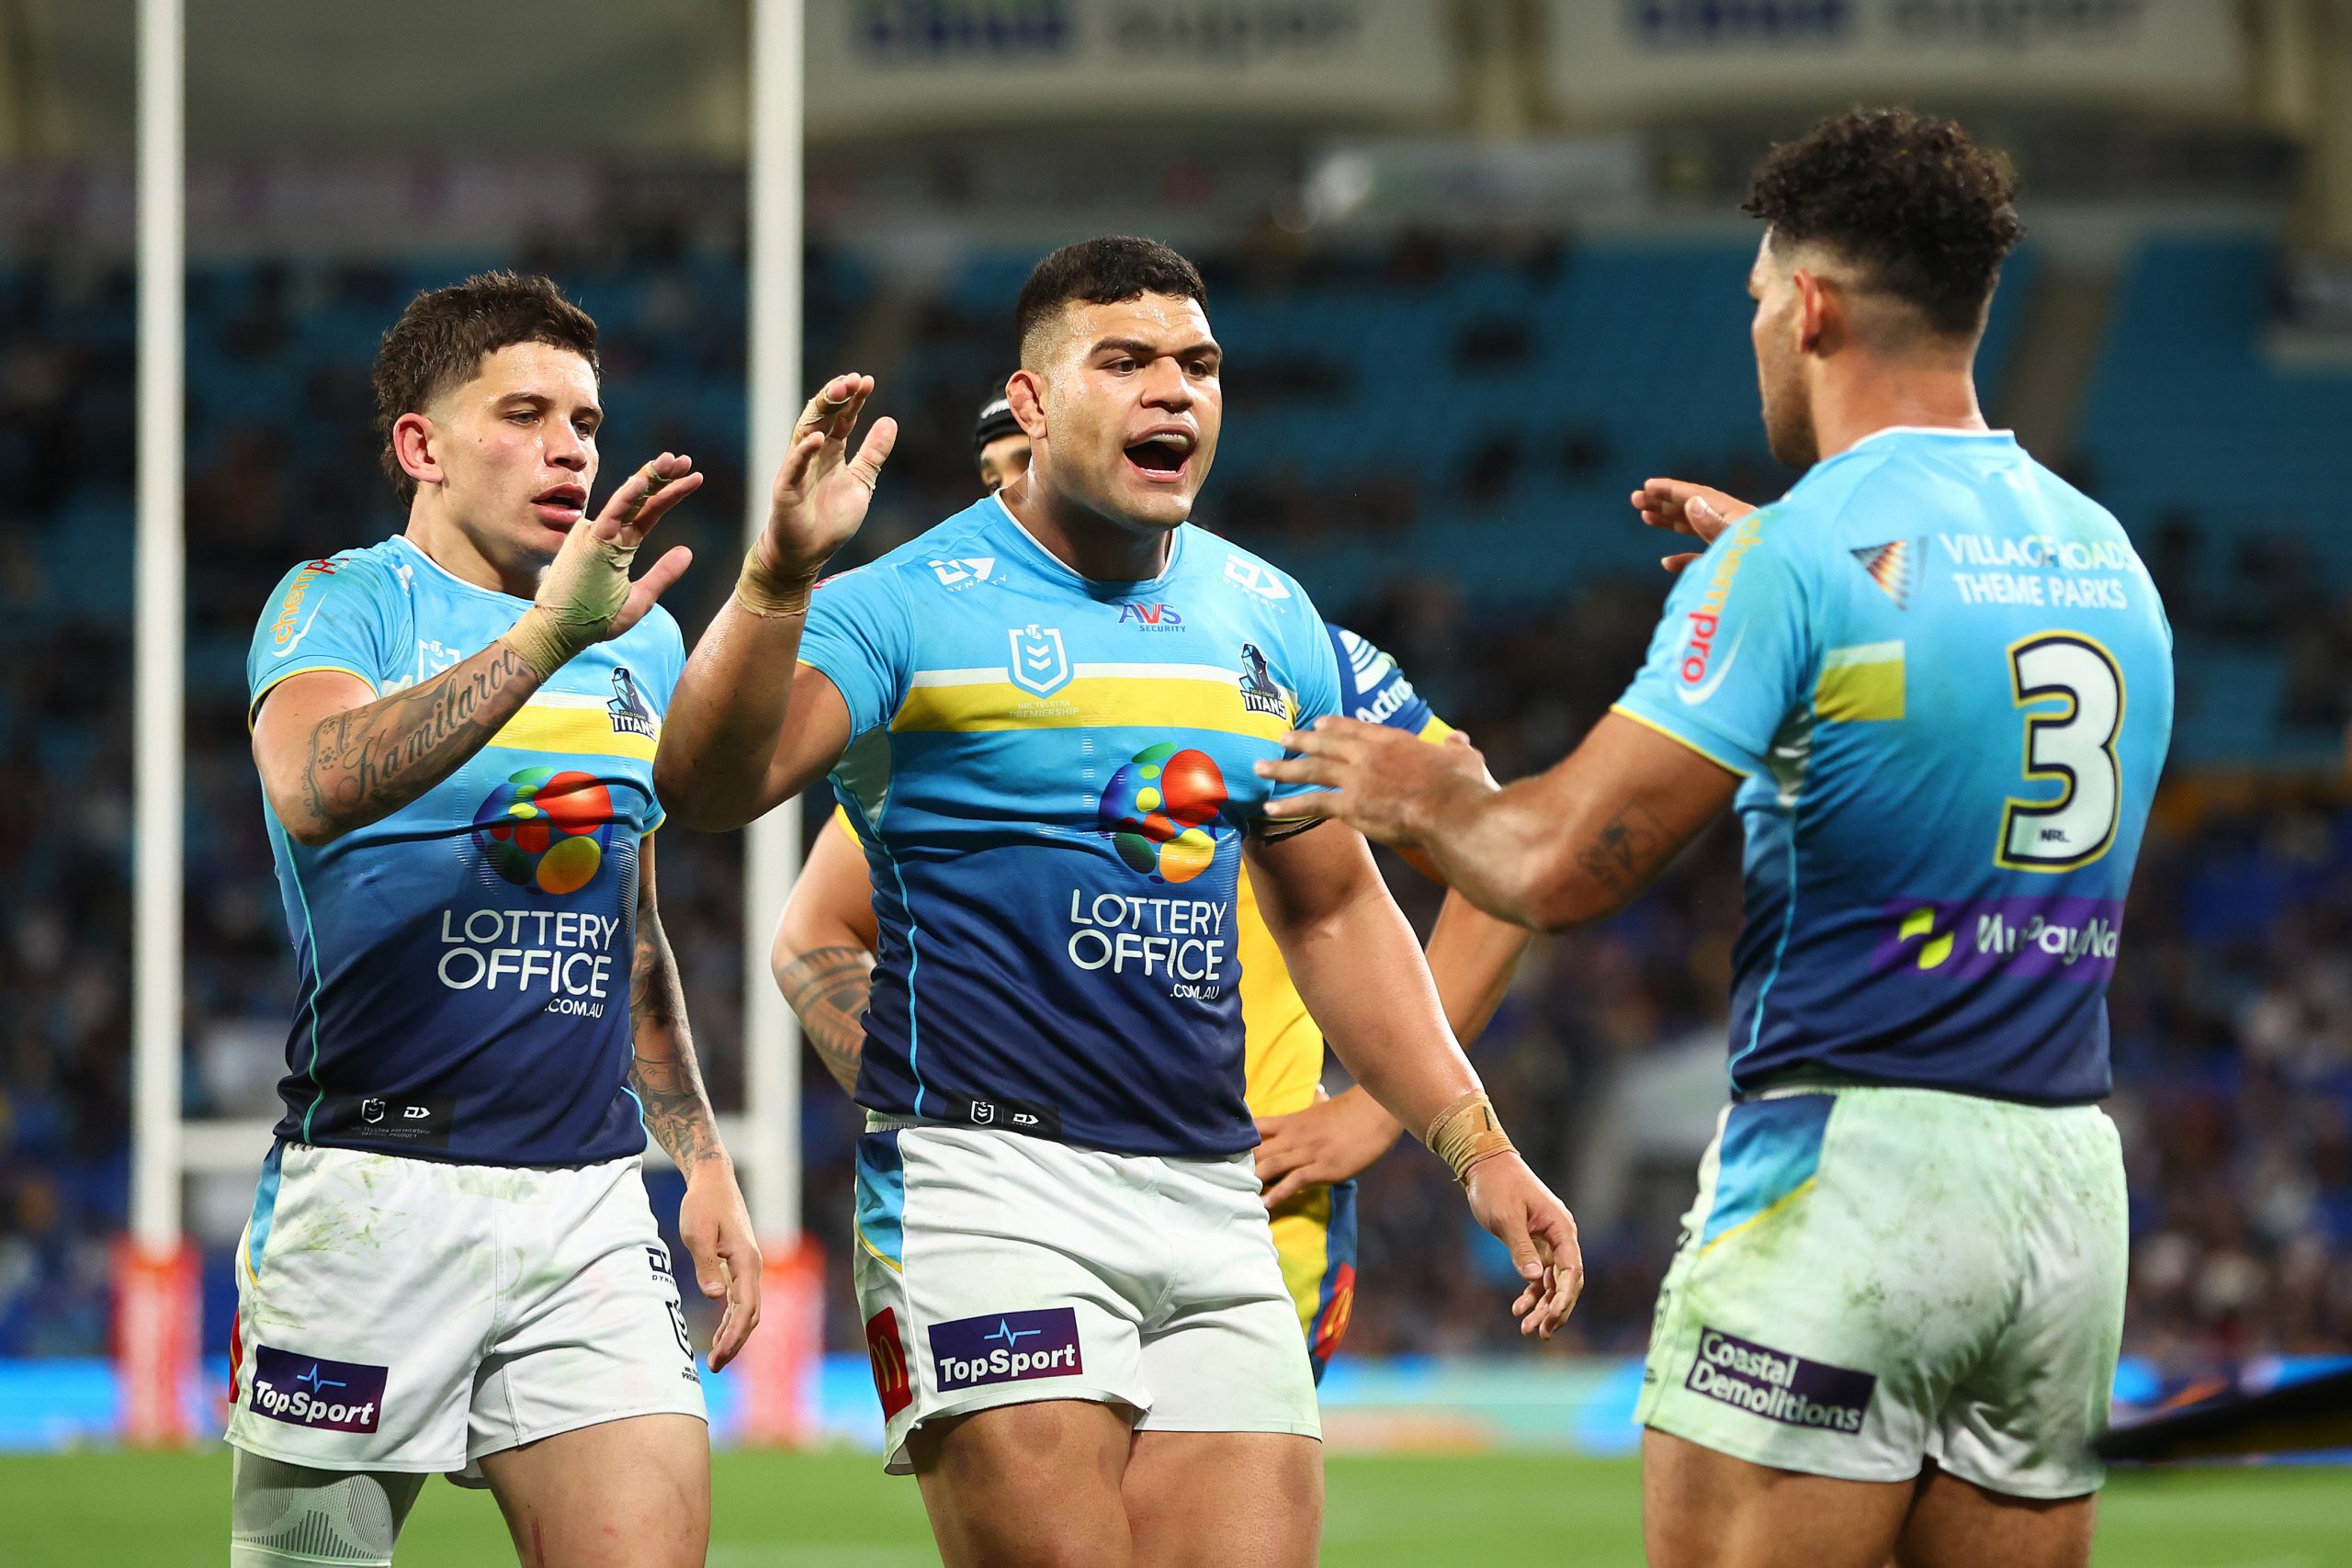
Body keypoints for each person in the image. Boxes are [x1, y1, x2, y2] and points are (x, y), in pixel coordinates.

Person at [1260, 111, 2174, 1568]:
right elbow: (1938, 674)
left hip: (1849, 1174)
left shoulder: (1798, 558)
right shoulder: (2097, 550)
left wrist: (1414, 788)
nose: (1756, 327)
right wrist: (1788, 585)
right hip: (2064, 1189)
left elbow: (1555, 864)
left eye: (1758, 298)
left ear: (1809, 306)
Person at [655, 235, 1581, 1568]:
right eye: (1128, 361)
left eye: (1198, 365)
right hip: (991, 1189)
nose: (1174, 391)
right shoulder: (905, 605)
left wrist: (1471, 1145)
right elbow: (708, 783)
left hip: (1214, 1194)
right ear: (1030, 405)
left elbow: (1331, 909)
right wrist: (774, 582)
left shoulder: (1268, 617)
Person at [771, 391, 1535, 1382]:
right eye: (1003, 480)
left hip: (1251, 1194)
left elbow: (1497, 860)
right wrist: (943, 1089)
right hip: (1008, 1189)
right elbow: (812, 934)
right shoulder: (960, 702)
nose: (1026, 498)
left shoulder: (1291, 662)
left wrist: (1375, 1114)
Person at [230, 272, 759, 1568]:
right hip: (370, 1197)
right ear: (423, 444)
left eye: (585, 418)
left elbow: (629, 931)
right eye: (523, 412)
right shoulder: (339, 599)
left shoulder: (639, 641)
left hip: (586, 1196)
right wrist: (541, 639)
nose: (570, 446)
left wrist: (700, 1154)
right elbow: (313, 784)